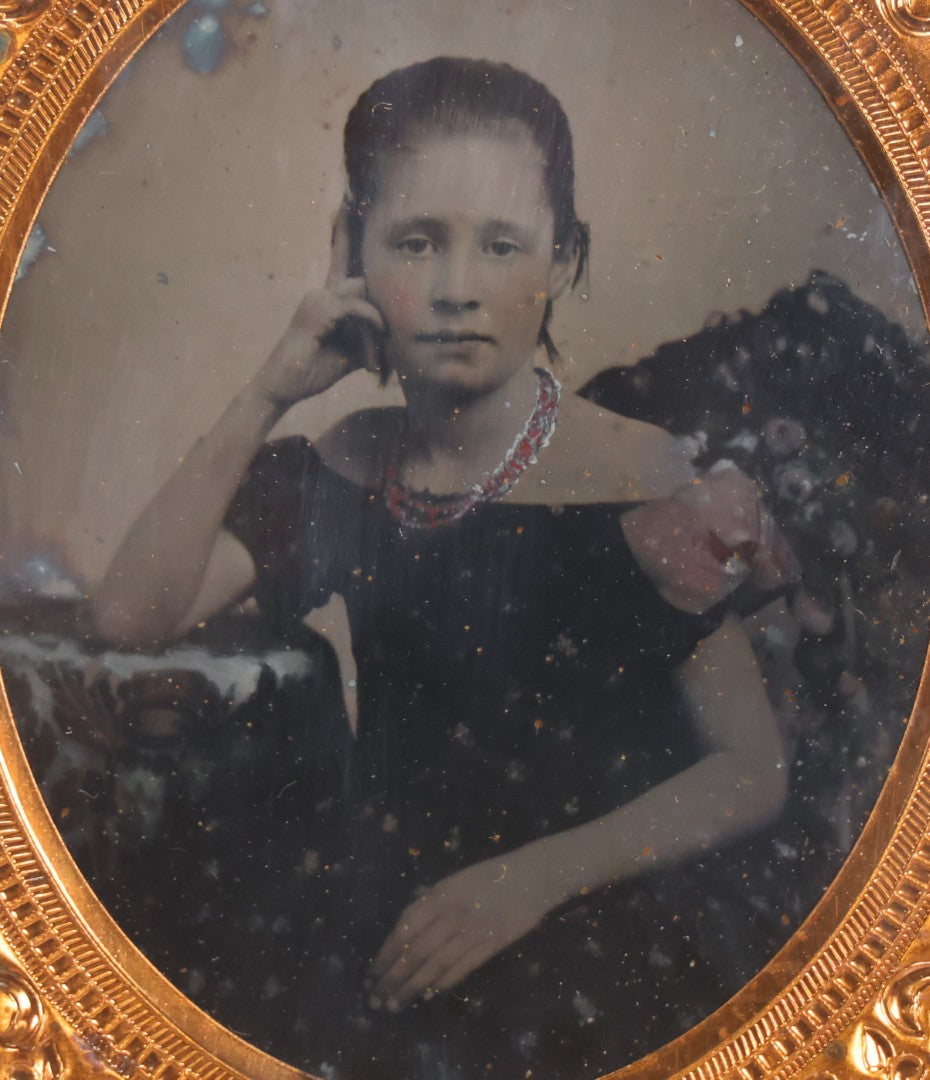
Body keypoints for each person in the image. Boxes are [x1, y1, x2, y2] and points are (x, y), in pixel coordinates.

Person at [93, 57, 797, 1080]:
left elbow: (754, 769)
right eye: (416, 242)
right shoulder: (337, 466)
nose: (459, 288)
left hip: (589, 939)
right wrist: (267, 392)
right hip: (395, 941)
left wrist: (530, 883)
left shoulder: (644, 476)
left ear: (563, 257)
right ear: (352, 249)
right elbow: (127, 615)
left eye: (502, 244)